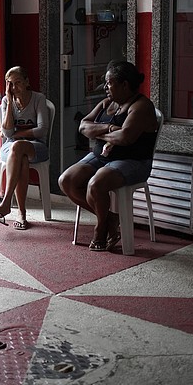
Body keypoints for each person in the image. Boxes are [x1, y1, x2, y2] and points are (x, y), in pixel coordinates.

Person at [58, 60, 158, 251]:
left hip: (133, 161)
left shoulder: (141, 106)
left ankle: (100, 229)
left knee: (95, 184)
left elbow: (125, 138)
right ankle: (110, 219)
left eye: (109, 83)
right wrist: (109, 128)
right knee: (66, 181)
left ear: (125, 85)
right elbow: (82, 126)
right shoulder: (107, 103)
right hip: (101, 157)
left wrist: (97, 132)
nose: (105, 87)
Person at [0, 66, 52, 230]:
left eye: (17, 83)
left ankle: (7, 202)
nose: (14, 87)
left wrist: (16, 134)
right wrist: (9, 101)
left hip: (36, 146)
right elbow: (8, 131)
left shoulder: (38, 98)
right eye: (10, 84)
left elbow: (41, 130)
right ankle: (21, 214)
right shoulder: (5, 101)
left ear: (27, 82)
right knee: (19, 155)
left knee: (19, 146)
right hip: (11, 149)